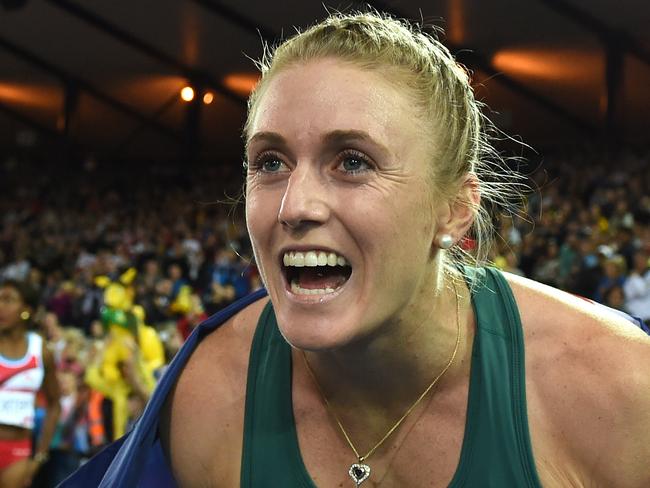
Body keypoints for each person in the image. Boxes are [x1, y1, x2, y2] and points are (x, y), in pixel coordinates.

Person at [61, 11, 650, 488]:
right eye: (270, 162)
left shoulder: (611, 389)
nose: (295, 206)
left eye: (352, 161)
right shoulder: (212, 395)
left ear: (455, 207)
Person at [0, 280, 61, 488]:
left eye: (8, 300)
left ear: (27, 309)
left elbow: (55, 404)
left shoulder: (40, 349)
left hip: (18, 450)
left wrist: (40, 457)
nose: (1, 306)